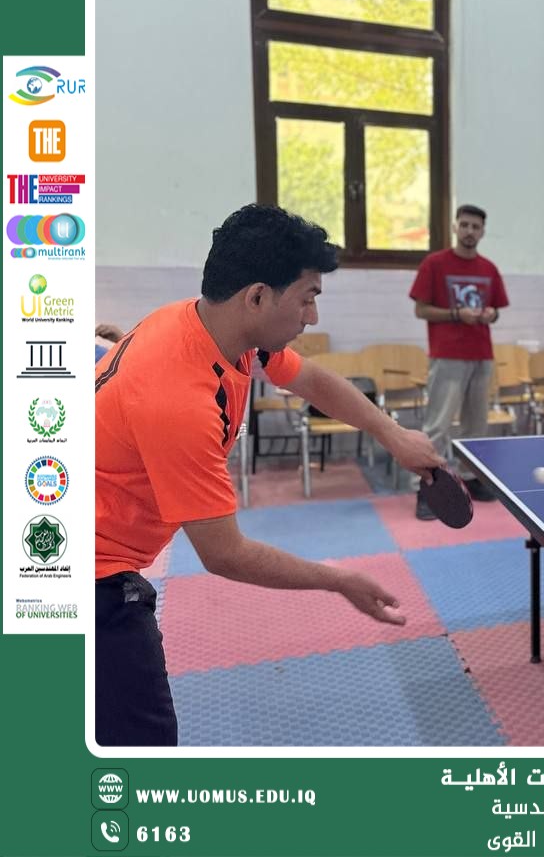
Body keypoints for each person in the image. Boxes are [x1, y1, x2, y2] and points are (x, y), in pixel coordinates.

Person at [95, 204, 446, 745]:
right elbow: (224, 554)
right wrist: (340, 580)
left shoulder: (212, 328)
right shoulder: (179, 400)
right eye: (307, 299)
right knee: (143, 749)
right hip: (87, 577)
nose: (313, 318)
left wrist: (392, 434)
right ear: (257, 296)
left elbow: (312, 380)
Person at [409, 203, 509, 519]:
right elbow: (421, 309)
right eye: (464, 225)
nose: (469, 231)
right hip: (447, 354)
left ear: (483, 231)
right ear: (455, 227)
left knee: (476, 425)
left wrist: (491, 314)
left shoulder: (489, 268)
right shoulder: (435, 264)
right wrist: (455, 314)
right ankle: (427, 488)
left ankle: (470, 478)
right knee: (437, 425)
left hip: (482, 355)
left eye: (475, 227)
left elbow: (496, 310)